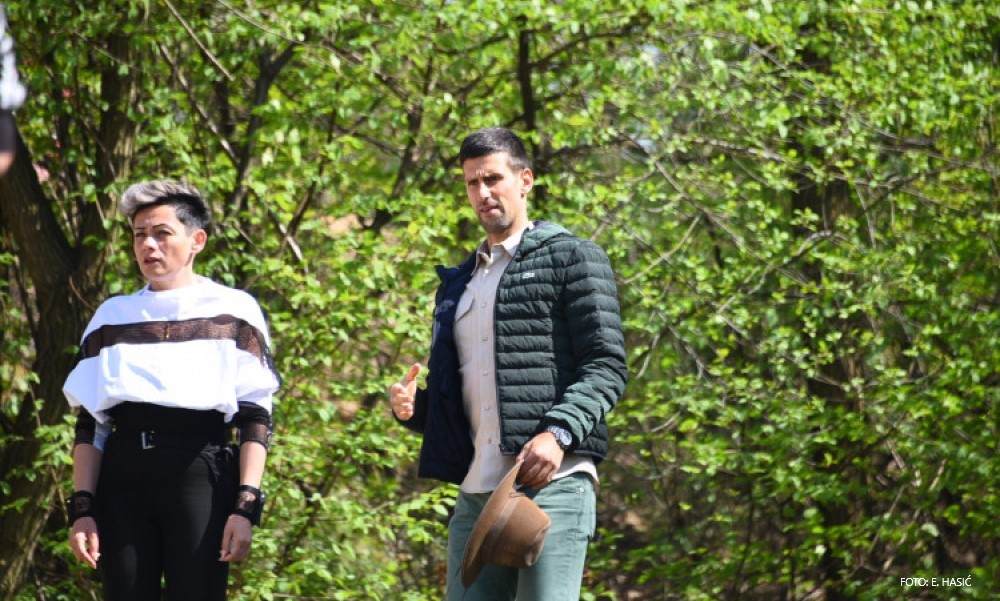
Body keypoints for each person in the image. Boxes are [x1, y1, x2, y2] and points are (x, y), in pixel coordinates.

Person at [389, 126, 628, 600]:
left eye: (493, 179)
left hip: (552, 481)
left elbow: (606, 366)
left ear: (525, 180)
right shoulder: (458, 282)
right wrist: (418, 410)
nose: (482, 193)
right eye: (472, 183)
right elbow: (473, 394)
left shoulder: (573, 257)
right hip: (476, 492)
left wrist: (558, 433)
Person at [62, 180, 281, 601]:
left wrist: (245, 505)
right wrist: (82, 508)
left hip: (199, 473)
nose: (149, 245)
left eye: (162, 233)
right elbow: (91, 423)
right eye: (139, 235)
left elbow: (255, 416)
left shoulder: (234, 310)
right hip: (123, 479)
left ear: (197, 240)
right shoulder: (111, 315)